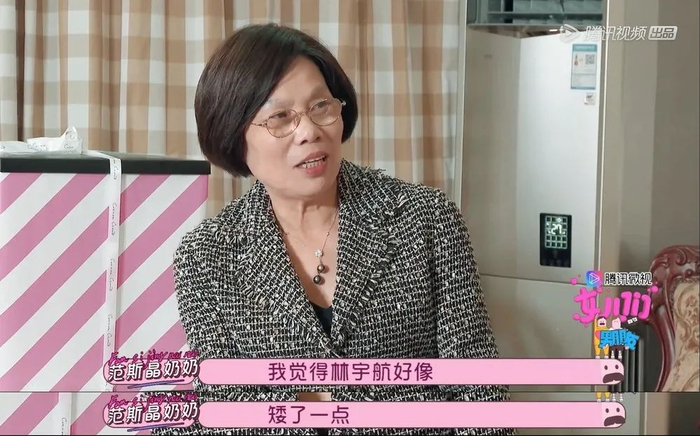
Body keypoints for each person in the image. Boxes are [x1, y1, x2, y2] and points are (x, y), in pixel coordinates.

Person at [155, 23, 515, 436]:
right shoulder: (207, 255)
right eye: (280, 117)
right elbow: (224, 411)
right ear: (234, 136)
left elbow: (478, 392)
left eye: (321, 106)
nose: (310, 132)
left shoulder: (426, 219)